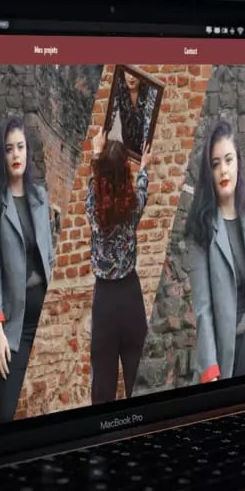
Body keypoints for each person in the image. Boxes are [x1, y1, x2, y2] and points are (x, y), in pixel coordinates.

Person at [0, 116, 55, 423]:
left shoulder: (40, 197)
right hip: (15, 327)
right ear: (2, 154)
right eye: (9, 149)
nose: (16, 155)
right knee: (6, 412)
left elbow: (49, 258)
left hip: (46, 319)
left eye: (20, 147)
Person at [186, 119, 245, 383]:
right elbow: (203, 309)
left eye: (228, 160)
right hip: (225, 357)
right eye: (215, 164)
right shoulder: (200, 228)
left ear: (238, 163)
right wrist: (211, 369)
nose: (223, 171)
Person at [85, 130, 151, 403]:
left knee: (103, 382)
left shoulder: (94, 208)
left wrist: (97, 153)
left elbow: (93, 185)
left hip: (106, 300)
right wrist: (144, 166)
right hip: (130, 296)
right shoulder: (133, 205)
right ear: (126, 173)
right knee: (138, 377)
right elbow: (143, 189)